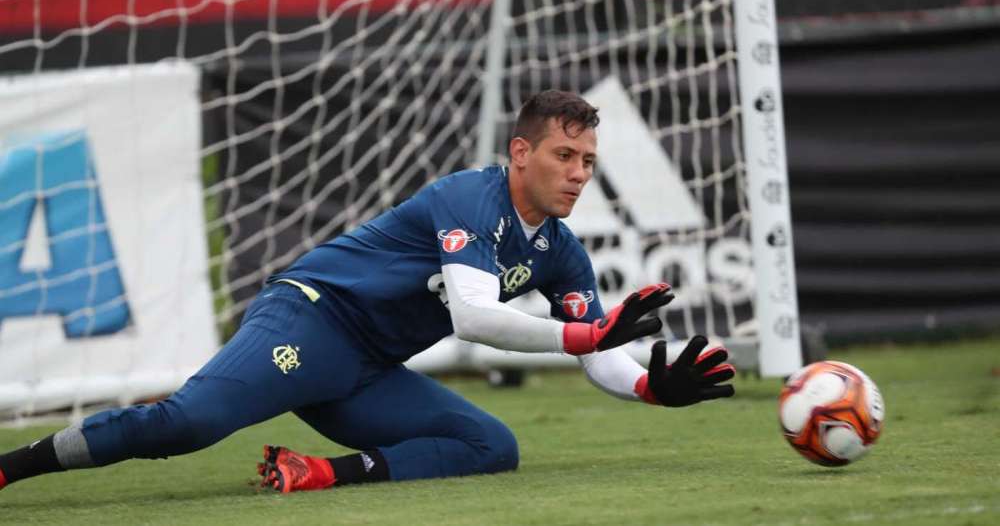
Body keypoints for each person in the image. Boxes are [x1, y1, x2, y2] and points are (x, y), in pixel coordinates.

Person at [0, 90, 735, 494]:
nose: (578, 173)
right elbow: (475, 318)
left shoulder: (562, 252)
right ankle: (15, 466)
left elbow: (599, 355)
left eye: (588, 161)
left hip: (366, 370)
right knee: (186, 426)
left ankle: (320, 473)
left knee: (491, 445)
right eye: (563, 155)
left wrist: (644, 388)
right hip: (312, 321)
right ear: (521, 153)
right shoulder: (469, 198)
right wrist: (592, 337)